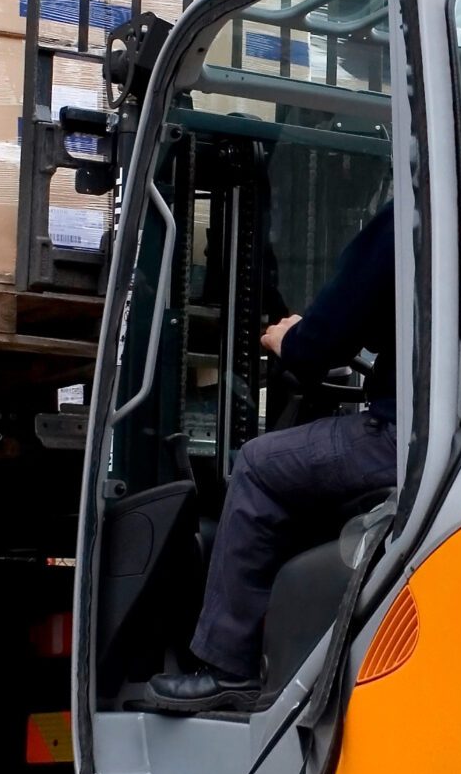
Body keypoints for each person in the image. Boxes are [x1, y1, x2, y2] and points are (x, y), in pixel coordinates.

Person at [148, 202, 400, 711]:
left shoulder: (420, 210)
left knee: (262, 464)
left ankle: (227, 666)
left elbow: (331, 331)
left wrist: (294, 339)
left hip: (404, 438)